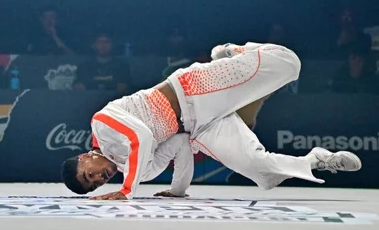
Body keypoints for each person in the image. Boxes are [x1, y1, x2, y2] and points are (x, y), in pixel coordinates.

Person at [62, 42, 362, 200]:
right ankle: (317, 160)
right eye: (94, 186)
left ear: (85, 157)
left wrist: (128, 190)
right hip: (197, 128)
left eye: (89, 175)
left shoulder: (102, 123)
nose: (99, 180)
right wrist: (177, 191)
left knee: (289, 65)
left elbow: (141, 136)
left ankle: (233, 51)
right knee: (261, 172)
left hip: (192, 91)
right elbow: (180, 145)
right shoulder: (135, 171)